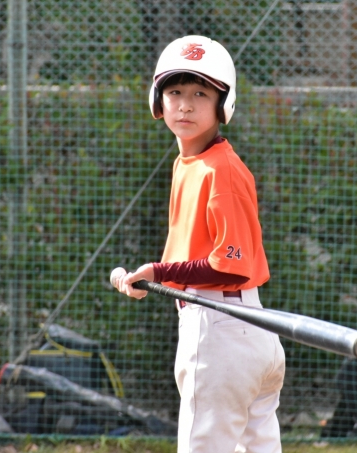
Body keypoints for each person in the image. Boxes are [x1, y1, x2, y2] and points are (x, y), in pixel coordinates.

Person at [115, 35, 286, 452]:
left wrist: (159, 272)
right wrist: (156, 275)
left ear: (222, 104)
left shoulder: (218, 169)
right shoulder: (192, 162)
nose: (186, 105)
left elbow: (231, 265)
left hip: (219, 331)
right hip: (246, 327)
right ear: (158, 100)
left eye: (200, 93)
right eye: (175, 92)